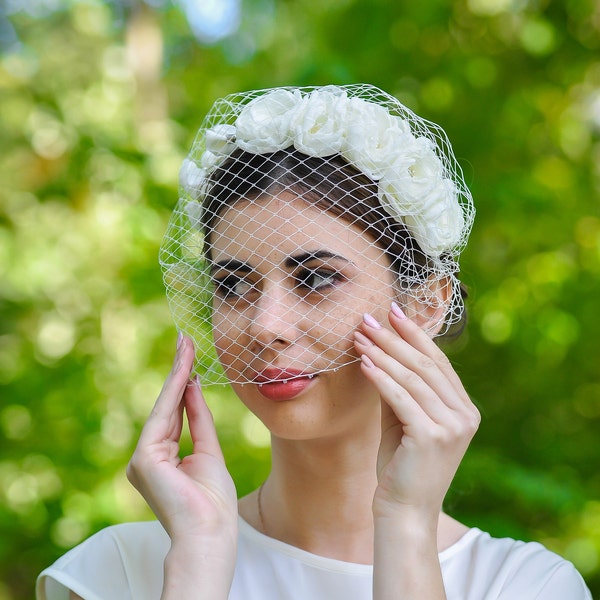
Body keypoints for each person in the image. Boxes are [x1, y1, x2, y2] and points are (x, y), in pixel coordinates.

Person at [36, 84, 592, 599]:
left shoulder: (524, 585)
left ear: (426, 302)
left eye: (317, 279)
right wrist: (197, 567)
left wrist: (405, 525)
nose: (265, 325)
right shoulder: (116, 572)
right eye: (232, 285)